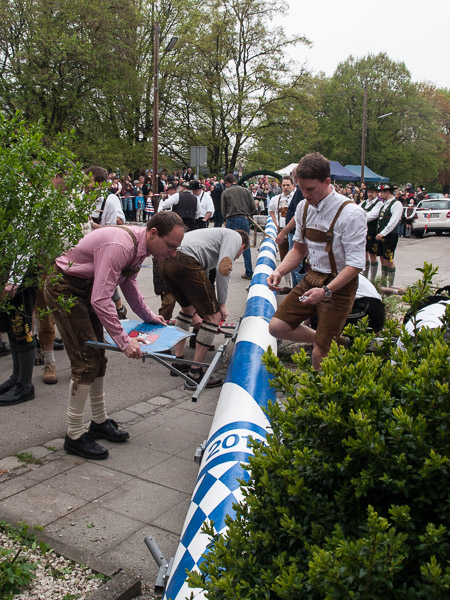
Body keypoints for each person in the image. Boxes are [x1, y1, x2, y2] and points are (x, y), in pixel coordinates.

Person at [44, 212, 185, 460]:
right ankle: (74, 435)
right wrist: (123, 341)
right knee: (86, 360)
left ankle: (99, 421)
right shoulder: (121, 245)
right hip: (65, 287)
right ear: (153, 233)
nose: (173, 253)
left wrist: (149, 316)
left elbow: (128, 285)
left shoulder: (140, 246)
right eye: (171, 246)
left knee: (99, 358)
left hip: (86, 288)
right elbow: (101, 299)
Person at [267, 152, 367, 370]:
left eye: (310, 189)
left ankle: (318, 383)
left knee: (319, 353)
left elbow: (356, 265)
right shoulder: (303, 207)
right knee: (276, 327)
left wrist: (326, 291)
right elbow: (298, 249)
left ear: (327, 181)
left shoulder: (351, 213)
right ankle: (332, 340)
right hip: (312, 278)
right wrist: (279, 271)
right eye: (301, 188)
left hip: (339, 286)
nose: (305, 194)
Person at [159, 228, 249, 389]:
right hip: (186, 260)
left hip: (166, 261)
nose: (237, 256)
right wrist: (221, 304)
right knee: (214, 317)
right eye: (240, 254)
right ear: (242, 247)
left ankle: (178, 362)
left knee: (187, 310)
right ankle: (195, 373)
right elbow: (224, 268)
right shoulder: (234, 236)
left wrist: (203, 313)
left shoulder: (211, 240)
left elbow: (203, 280)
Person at [221, 173, 256, 280]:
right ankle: (249, 272)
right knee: (245, 246)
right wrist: (247, 214)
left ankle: (226, 270)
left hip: (231, 219)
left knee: (229, 246)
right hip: (244, 219)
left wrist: (225, 219)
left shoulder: (226, 192)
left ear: (227, 183)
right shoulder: (246, 191)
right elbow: (253, 207)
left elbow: (223, 209)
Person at [375, 184, 403, 286]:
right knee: (382, 258)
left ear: (387, 192)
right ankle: (383, 283)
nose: (380, 194)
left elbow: (393, 221)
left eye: (382, 192)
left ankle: (390, 284)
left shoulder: (396, 204)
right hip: (381, 235)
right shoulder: (384, 204)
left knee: (389, 260)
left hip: (390, 235)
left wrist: (383, 233)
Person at [360, 183, 383, 281]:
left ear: (376, 193)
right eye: (369, 192)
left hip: (373, 232)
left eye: (372, 192)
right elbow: (355, 212)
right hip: (363, 232)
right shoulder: (363, 203)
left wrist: (360, 217)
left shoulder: (379, 204)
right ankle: (365, 278)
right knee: (364, 255)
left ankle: (372, 279)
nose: (370, 194)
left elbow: (372, 216)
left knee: (372, 255)